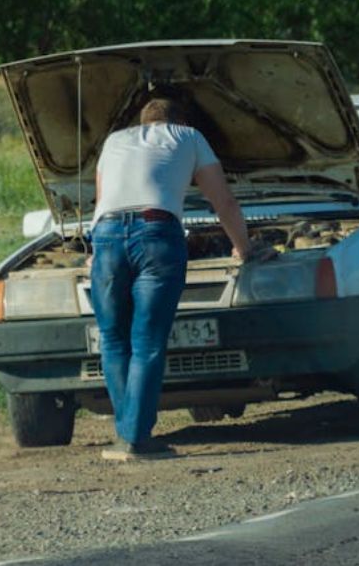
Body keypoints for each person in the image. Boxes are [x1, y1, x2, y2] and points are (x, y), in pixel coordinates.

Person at [89, 98, 252, 461]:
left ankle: (127, 435)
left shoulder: (114, 141)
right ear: (178, 120)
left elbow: (102, 202)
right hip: (156, 234)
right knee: (147, 341)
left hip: (106, 235)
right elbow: (223, 202)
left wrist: (97, 251)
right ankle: (137, 440)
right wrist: (244, 247)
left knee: (113, 338)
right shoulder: (189, 136)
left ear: (142, 122)